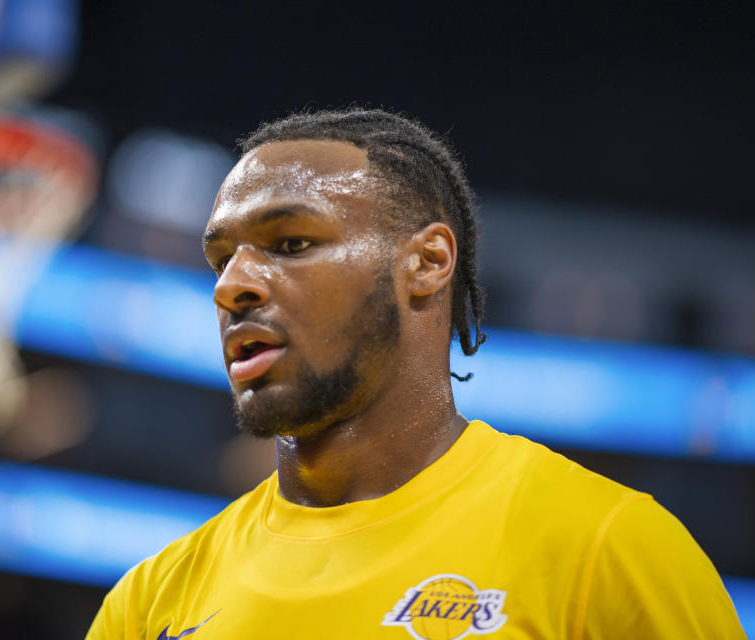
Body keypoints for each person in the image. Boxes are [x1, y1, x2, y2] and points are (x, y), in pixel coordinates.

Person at [87, 108, 745, 639]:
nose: (233, 286)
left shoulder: (606, 548)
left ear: (427, 263)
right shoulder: (151, 601)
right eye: (223, 257)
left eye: (292, 244)